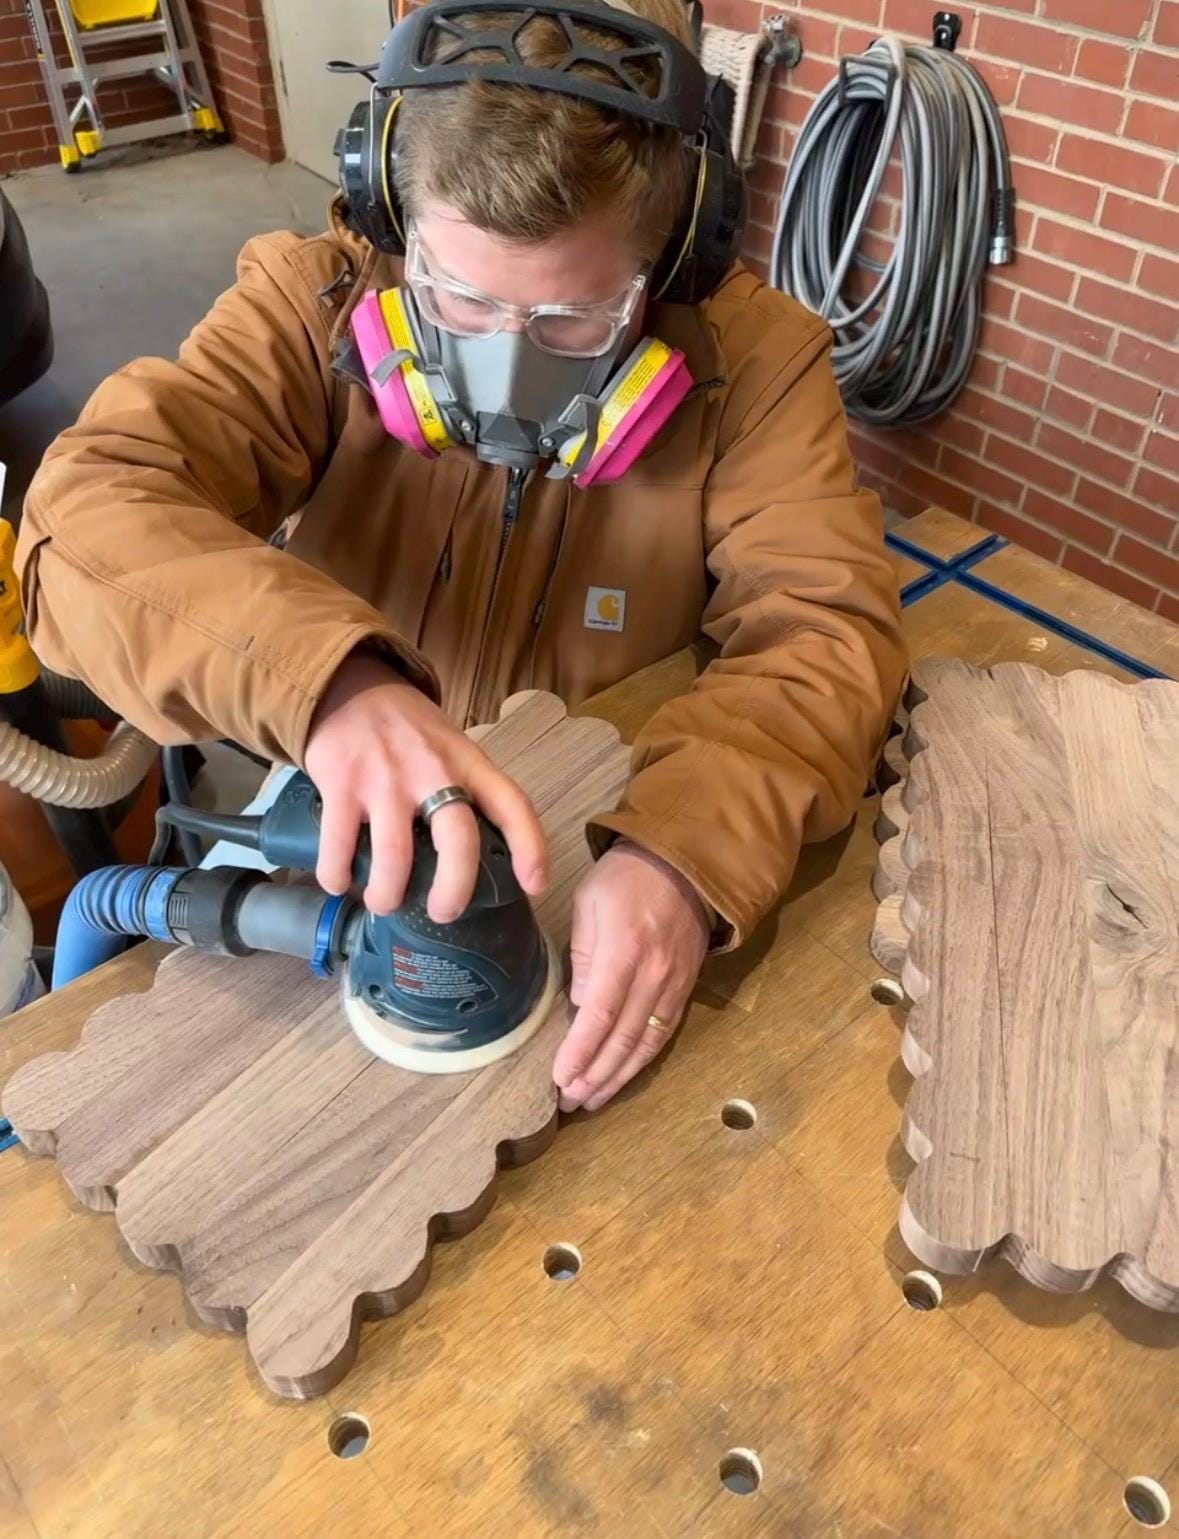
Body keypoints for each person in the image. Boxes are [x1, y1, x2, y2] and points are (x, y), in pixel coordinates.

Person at [16, 0, 906, 1111]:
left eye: (575, 319)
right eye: (459, 298)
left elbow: (823, 629)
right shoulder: (314, 304)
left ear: (677, 258)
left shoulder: (754, 365)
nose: (506, 367)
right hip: (342, 799)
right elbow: (84, 514)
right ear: (392, 214)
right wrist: (330, 684)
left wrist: (686, 851)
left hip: (597, 828)